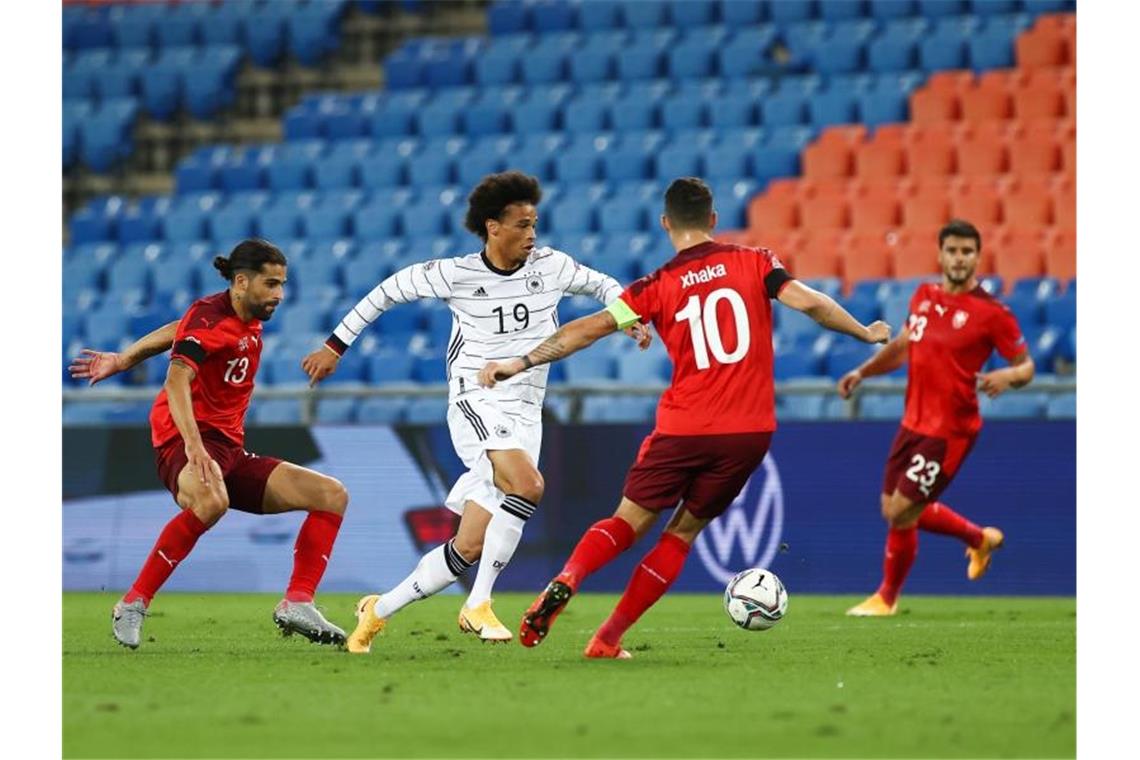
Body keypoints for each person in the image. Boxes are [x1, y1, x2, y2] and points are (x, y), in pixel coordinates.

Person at [477, 177, 891, 658]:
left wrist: (519, 362)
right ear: (712, 220)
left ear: (666, 224)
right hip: (747, 432)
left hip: (683, 427)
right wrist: (865, 332)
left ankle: (570, 576)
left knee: (627, 523)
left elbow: (587, 329)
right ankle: (607, 639)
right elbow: (813, 304)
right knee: (682, 533)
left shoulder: (656, 285)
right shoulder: (755, 262)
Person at [301, 171, 650, 651]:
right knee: (528, 485)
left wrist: (629, 320)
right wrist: (335, 346)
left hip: (527, 409)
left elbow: (605, 285)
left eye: (535, 224)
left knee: (467, 547)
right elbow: (386, 291)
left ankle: (376, 612)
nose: (532, 234)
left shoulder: (551, 266)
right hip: (476, 399)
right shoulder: (456, 274)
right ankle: (479, 603)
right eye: (522, 225)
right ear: (493, 227)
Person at [69, 239, 350, 649]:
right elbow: (176, 380)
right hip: (183, 443)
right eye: (271, 285)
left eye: (282, 285)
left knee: (330, 494)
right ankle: (132, 603)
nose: (279, 295)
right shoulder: (212, 318)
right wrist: (194, 447)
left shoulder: (236, 315)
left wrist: (125, 358)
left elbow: (178, 330)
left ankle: (297, 602)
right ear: (241, 281)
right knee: (211, 502)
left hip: (229, 450)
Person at [840, 219, 1034, 616]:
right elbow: (903, 346)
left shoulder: (992, 313)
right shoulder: (923, 295)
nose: (959, 258)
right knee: (892, 509)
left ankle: (887, 598)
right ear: (941, 254)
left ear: (978, 258)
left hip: (950, 429)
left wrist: (1007, 375)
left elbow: (1026, 366)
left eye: (967, 252)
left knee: (901, 510)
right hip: (912, 422)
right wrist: (864, 371)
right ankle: (979, 539)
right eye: (953, 250)